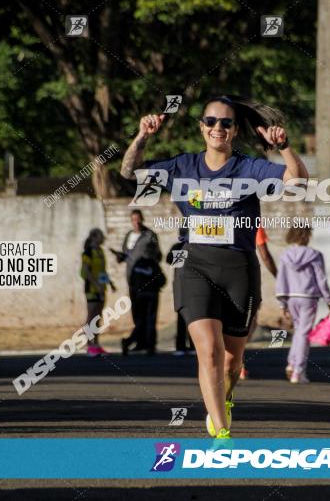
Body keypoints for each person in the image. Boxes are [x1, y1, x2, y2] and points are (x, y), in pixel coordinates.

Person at [120, 94, 307, 439]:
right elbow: (129, 171)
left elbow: (297, 183)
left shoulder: (249, 168)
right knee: (208, 351)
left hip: (240, 270)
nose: (217, 128)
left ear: (235, 130)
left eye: (225, 123)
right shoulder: (181, 167)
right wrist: (142, 136)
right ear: (201, 127)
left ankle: (225, 396)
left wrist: (284, 147)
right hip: (195, 266)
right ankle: (221, 433)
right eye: (210, 121)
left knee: (232, 363)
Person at [275, 226, 330, 384]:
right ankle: (298, 372)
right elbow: (321, 279)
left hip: (291, 298)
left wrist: (282, 304)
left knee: (299, 331)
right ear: (305, 236)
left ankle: (292, 363)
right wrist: (329, 301)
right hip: (309, 298)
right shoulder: (314, 255)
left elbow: (281, 279)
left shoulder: (285, 255)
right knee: (304, 334)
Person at [115, 210, 163, 356]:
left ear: (142, 219)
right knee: (137, 314)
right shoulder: (129, 236)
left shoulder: (150, 235)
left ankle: (149, 344)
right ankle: (140, 342)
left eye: (138, 219)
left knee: (150, 314)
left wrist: (149, 263)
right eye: (133, 220)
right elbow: (125, 255)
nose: (136, 222)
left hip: (147, 280)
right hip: (133, 281)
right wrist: (120, 257)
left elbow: (158, 255)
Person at [240, 226, 277, 379]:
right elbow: (265, 255)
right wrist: (278, 275)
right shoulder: (252, 220)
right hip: (245, 275)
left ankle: (231, 360)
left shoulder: (213, 215)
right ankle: (237, 361)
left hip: (217, 273)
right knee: (250, 321)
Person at [80, 228, 114, 356]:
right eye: (101, 236)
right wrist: (96, 284)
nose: (103, 238)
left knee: (98, 317)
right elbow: (85, 272)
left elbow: (102, 270)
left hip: (101, 289)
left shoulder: (100, 252)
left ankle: (96, 344)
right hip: (92, 290)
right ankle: (90, 346)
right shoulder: (87, 253)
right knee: (91, 317)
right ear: (94, 237)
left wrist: (110, 283)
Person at [166, 242, 194, 357]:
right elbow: (171, 260)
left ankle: (193, 345)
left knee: (195, 318)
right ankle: (180, 346)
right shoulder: (178, 246)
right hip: (181, 286)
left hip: (194, 286)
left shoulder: (198, 246)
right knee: (181, 318)